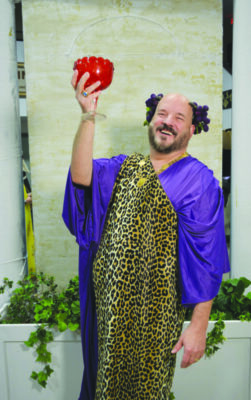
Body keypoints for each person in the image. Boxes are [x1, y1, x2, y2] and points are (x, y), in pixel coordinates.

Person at [63, 71, 230, 400]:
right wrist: (88, 115)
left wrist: (198, 326)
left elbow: (208, 259)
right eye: (161, 114)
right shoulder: (124, 166)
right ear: (151, 121)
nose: (167, 122)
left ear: (193, 129)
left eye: (178, 118)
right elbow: (81, 176)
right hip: (106, 311)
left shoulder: (199, 181)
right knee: (101, 388)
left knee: (145, 392)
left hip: (155, 318)